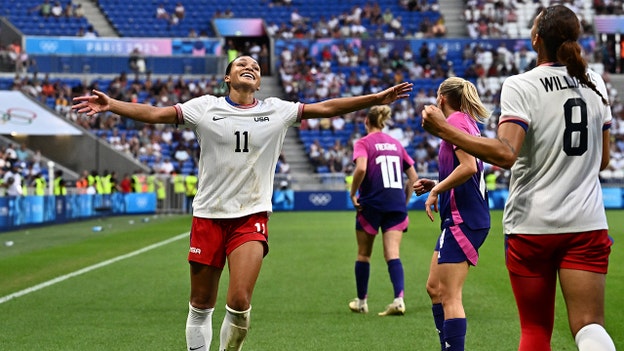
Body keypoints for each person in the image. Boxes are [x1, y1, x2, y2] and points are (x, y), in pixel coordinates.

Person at [73, 55, 413, 351]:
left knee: (238, 302)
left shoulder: (277, 111)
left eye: (255, 66)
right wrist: (113, 105)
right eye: (241, 65)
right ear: (227, 77)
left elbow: (326, 107)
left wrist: (375, 98)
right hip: (208, 215)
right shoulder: (204, 107)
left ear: (259, 80)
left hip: (250, 217)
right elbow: (155, 113)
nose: (249, 67)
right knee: (201, 304)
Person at [421, 6, 616, 351]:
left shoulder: (521, 85)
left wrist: (443, 130)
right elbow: (603, 160)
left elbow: (506, 154)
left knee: (536, 331)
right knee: (589, 326)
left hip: (533, 224)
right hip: (587, 222)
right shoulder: (595, 82)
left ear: (536, 38)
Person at [413, 77, 491, 351]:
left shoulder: (456, 121)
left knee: (449, 295)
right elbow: (468, 171)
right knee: (435, 288)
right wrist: (437, 184)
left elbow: (469, 167)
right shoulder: (464, 122)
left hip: (464, 218)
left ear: (442, 98)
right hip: (461, 216)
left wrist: (437, 191)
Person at [348, 105, 418, 316]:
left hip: (372, 203)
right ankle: (398, 299)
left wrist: (353, 193)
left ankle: (361, 302)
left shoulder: (363, 143)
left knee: (363, 254)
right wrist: (404, 200)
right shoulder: (396, 144)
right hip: (395, 204)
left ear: (366, 122)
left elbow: (361, 168)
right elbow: (413, 178)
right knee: (393, 254)